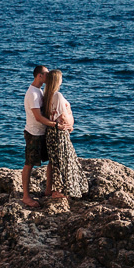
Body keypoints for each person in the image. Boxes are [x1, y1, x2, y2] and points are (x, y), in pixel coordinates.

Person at [22, 65, 64, 207]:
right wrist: (56, 125)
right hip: (34, 133)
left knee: (52, 159)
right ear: (40, 75)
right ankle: (26, 197)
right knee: (29, 164)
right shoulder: (33, 93)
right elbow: (38, 117)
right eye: (46, 73)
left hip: (43, 132)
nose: (49, 75)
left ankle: (48, 190)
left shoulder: (39, 91)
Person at [41, 70, 87, 199]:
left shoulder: (46, 96)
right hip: (59, 132)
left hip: (50, 132)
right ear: (58, 81)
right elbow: (63, 117)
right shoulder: (57, 96)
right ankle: (58, 191)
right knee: (63, 160)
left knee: (54, 161)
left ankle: (49, 189)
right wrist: (70, 125)